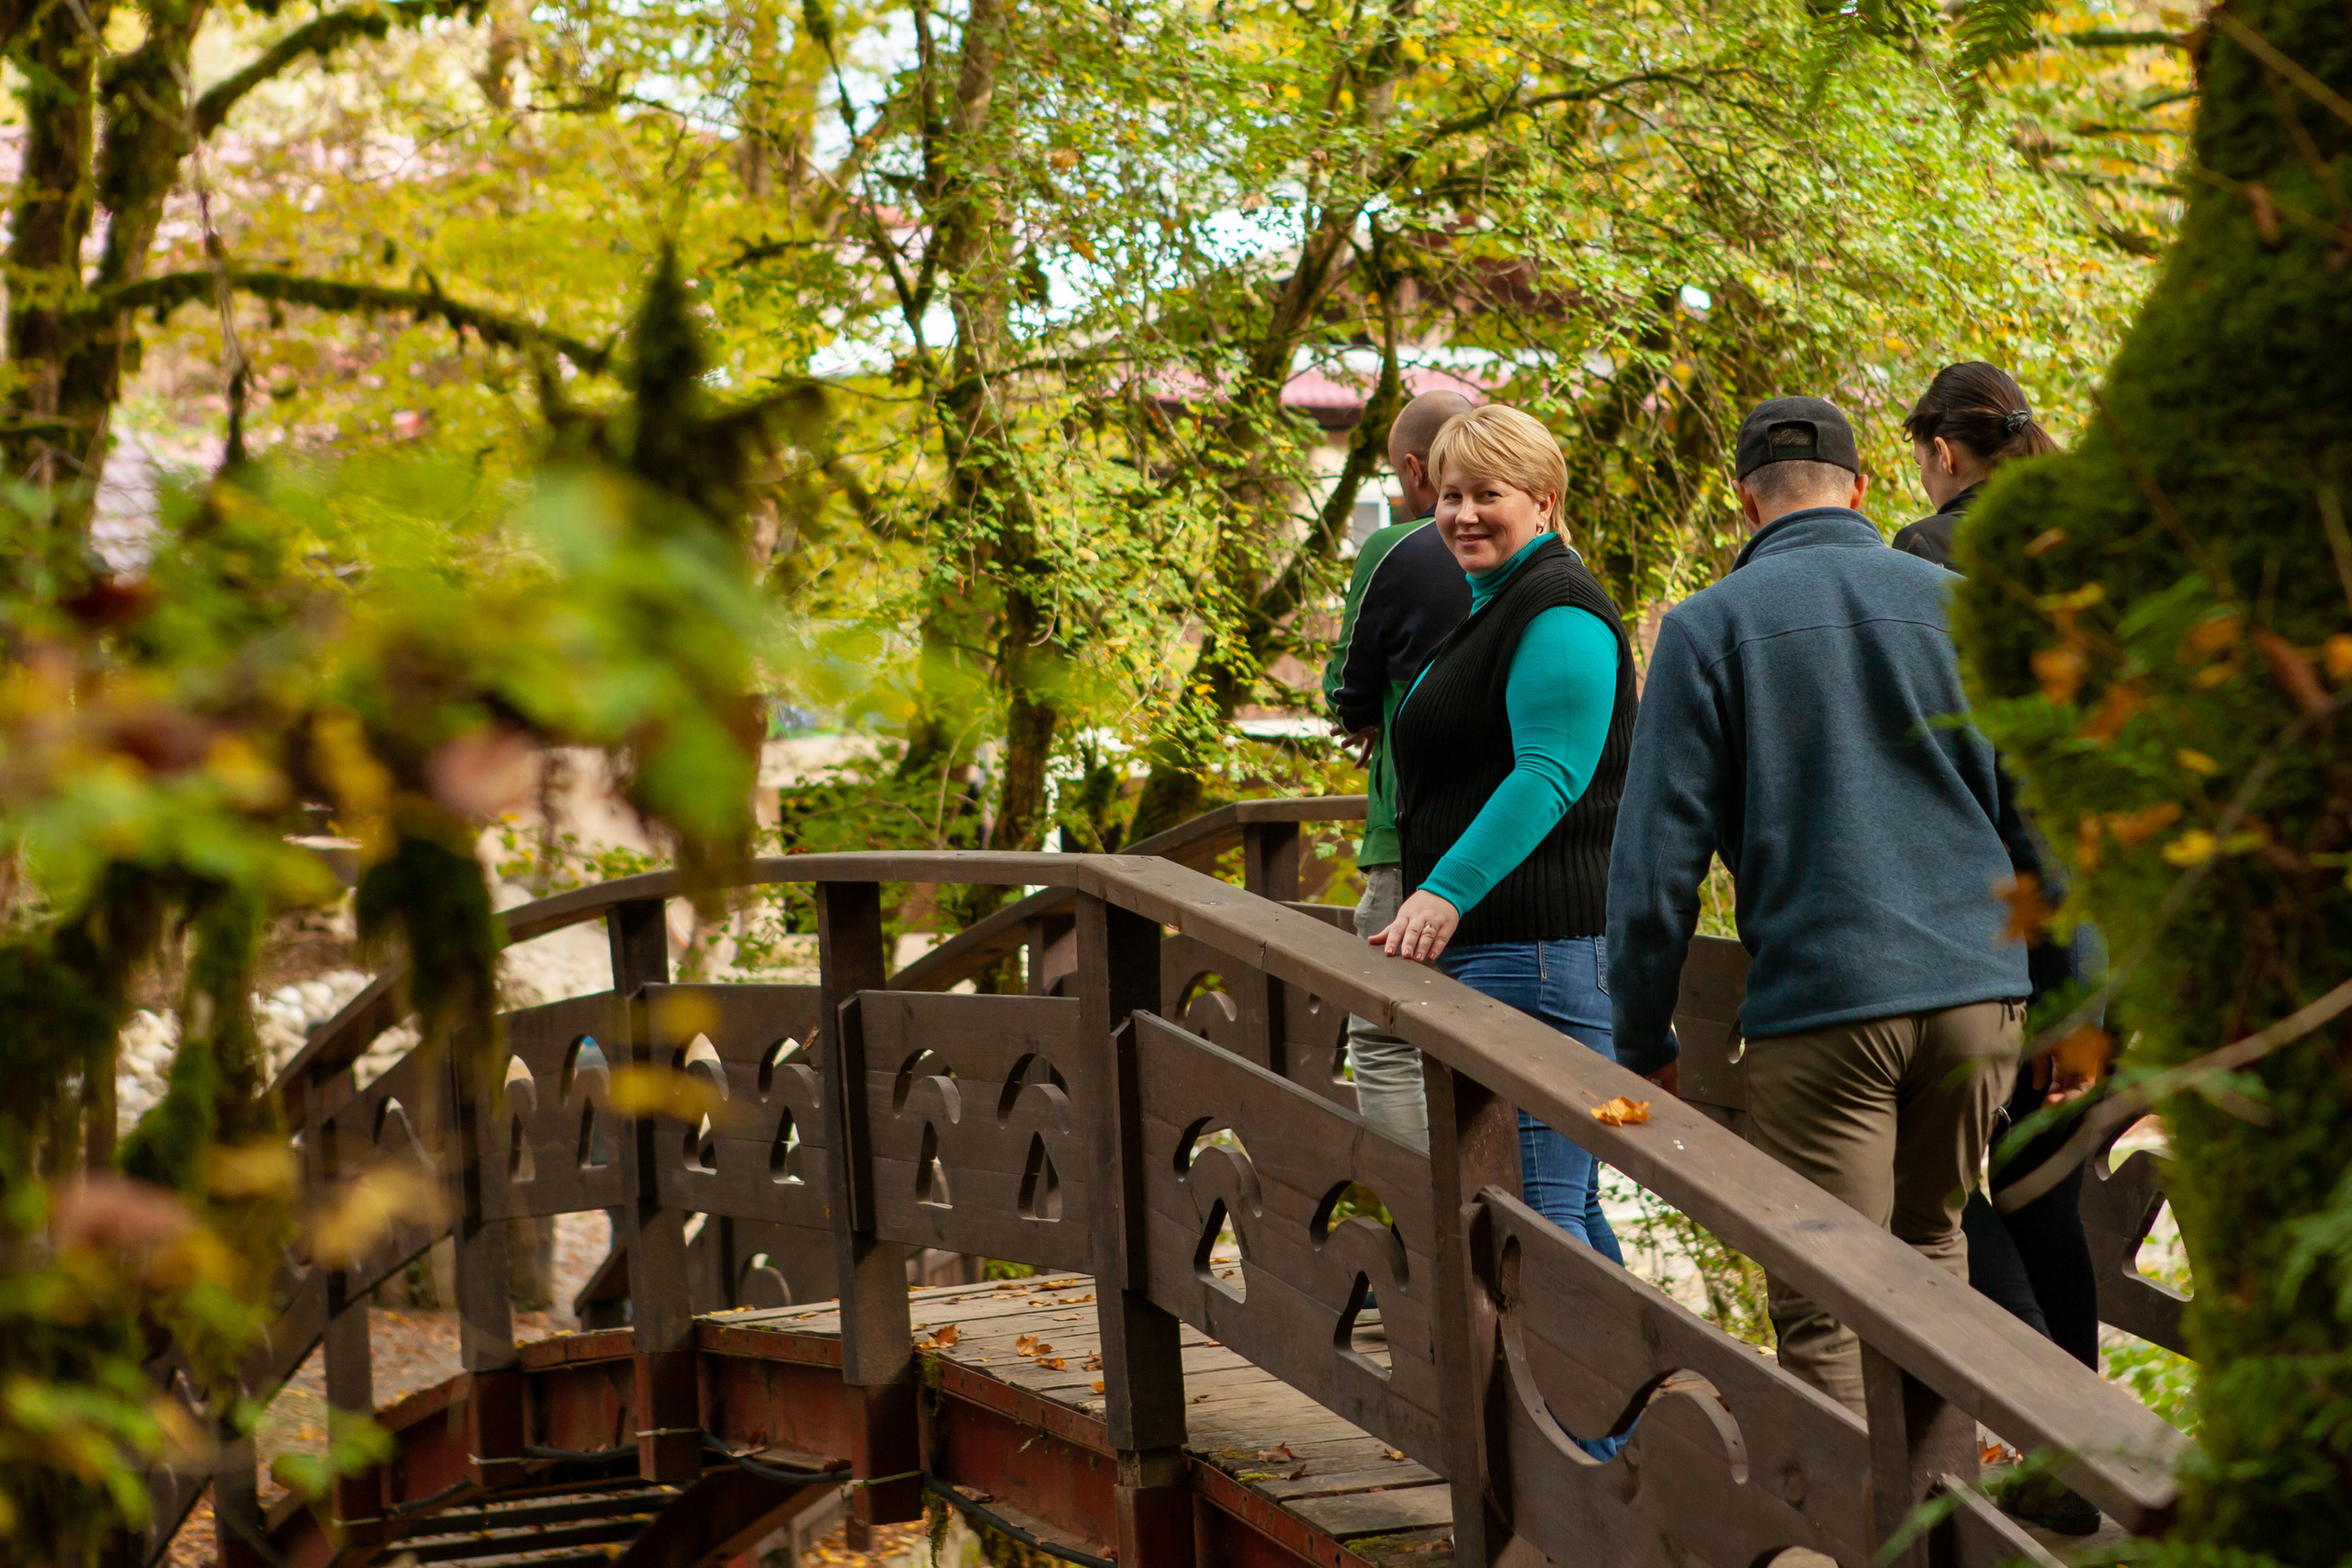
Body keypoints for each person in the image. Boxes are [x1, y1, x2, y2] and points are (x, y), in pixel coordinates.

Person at [1606, 395, 2027, 1416]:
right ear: (1862, 488)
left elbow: (1656, 866)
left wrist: (1641, 1034)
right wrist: (2071, 995)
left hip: (1826, 998)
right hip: (1979, 993)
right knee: (1930, 1255)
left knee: (1825, 1296)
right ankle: (1944, 1524)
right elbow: (2044, 814)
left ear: (1745, 500)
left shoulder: (1706, 629)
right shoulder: (1959, 605)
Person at [1370, 405, 1642, 1414]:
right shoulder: (1496, 604)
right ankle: (1633, 1434)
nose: (1465, 514)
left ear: (1544, 501)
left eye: (1489, 494)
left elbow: (1550, 772)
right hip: (1507, 950)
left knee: (1536, 1218)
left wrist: (1441, 892)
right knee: (1560, 1212)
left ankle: (1598, 1463)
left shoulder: (1558, 609)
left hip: (1537, 951)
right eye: (1448, 496)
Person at [1899, 363, 2103, 1536]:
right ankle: (2075, 1465)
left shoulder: (1926, 560)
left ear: (1938, 449)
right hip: (2112, 923)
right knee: (2039, 1198)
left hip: (1996, 928)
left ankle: (2052, 1439)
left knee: (1916, 1181)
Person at [1323, 389, 1474, 1149]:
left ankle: (1432, 1223)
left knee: (1384, 1036)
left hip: (1409, 839)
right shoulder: (1554, 556)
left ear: (1415, 469)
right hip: (1522, 848)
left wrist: (1369, 717)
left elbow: (1344, 687)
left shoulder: (1397, 547)